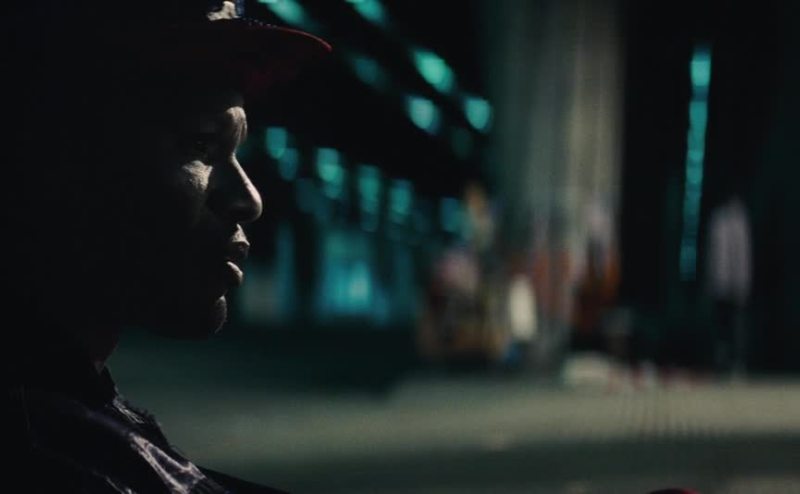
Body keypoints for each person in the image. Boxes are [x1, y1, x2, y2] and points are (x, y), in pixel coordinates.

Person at [2, 1, 329, 492]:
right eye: (200, 145)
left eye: (236, 152)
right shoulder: (50, 458)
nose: (249, 200)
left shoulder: (66, 421)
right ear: (51, 156)